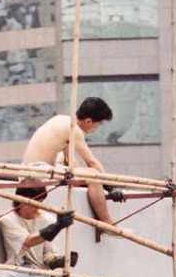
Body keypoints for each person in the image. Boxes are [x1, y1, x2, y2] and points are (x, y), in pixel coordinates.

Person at [22, 97, 123, 228]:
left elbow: (70, 161)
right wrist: (111, 186)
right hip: (38, 174)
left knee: (71, 164)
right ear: (89, 121)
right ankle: (107, 223)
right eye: (98, 124)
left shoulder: (62, 120)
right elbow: (92, 163)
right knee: (93, 175)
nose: (96, 129)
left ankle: (94, 189)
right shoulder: (74, 130)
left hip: (31, 169)